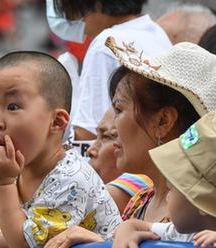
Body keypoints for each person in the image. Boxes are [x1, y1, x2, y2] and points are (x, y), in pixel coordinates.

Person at [0, 51, 121, 248]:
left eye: (12, 107)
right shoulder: (24, 165)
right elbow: (33, 231)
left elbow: (23, 244)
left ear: (56, 121)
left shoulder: (70, 178)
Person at [43, 37, 216, 248]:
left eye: (119, 109)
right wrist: (102, 243)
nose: (113, 128)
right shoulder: (140, 200)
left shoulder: (200, 216)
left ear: (164, 121)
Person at [53, 0, 172, 140]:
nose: (80, 26)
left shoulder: (106, 44)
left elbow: (88, 134)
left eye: (75, 14)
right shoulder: (155, 32)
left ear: (96, 4)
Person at [113, 112, 216, 248]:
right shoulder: (183, 234)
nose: (167, 198)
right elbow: (137, 226)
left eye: (171, 189)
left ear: (198, 200)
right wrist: (125, 231)